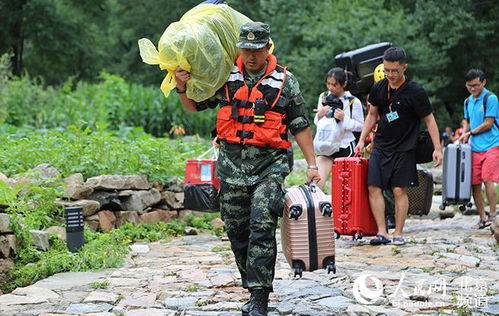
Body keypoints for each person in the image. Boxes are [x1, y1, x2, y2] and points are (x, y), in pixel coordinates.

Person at [174, 22, 320, 316]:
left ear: (268, 48)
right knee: (236, 230)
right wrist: (181, 85)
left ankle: (259, 296)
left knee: (262, 226)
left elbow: (300, 124)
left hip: (270, 167)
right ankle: (251, 284)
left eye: (257, 49)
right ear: (239, 47)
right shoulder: (223, 77)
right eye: (246, 49)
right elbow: (193, 106)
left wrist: (313, 165)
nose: (251, 55)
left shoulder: (285, 82)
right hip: (230, 168)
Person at [355, 47, 443, 246]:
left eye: (395, 71)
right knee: (373, 187)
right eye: (387, 70)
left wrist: (437, 148)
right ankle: (381, 232)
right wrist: (362, 139)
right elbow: (371, 114)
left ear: (405, 67)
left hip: (405, 147)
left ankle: (399, 232)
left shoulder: (415, 91)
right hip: (381, 145)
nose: (391, 75)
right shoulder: (379, 87)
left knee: (398, 190)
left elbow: (429, 120)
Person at [459, 69, 498, 229]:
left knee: (488, 180)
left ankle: (493, 215)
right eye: (469, 86)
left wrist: (470, 132)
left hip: (492, 145)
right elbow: (466, 120)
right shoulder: (468, 101)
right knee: (474, 183)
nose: (473, 89)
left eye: (475, 85)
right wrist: (464, 131)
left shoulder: (491, 98)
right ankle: (482, 218)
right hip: (474, 148)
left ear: (483, 82)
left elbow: (488, 123)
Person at [314, 68, 364, 191]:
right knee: (316, 182)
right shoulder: (323, 97)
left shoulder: (353, 102)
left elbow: (361, 126)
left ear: (344, 84)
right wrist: (320, 114)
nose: (331, 88)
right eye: (328, 84)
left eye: (334, 85)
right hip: (326, 145)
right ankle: (319, 208)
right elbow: (317, 123)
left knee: (344, 188)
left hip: (345, 147)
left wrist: (344, 119)